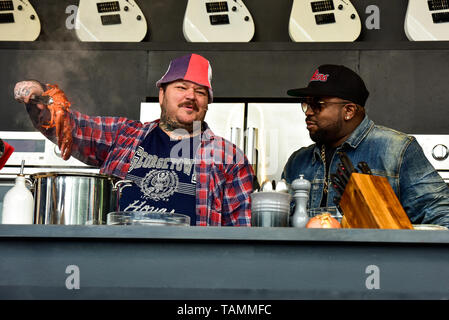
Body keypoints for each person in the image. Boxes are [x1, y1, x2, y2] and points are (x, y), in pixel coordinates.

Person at [14, 53, 254, 226]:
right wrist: (40, 93)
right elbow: (70, 127)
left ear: (207, 103)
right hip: (114, 262)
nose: (190, 96)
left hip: (189, 270)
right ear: (162, 95)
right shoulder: (123, 135)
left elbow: (241, 235)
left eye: (200, 91)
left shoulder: (229, 157)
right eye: (181, 87)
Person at [282, 64, 449, 227]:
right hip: (307, 256)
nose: (309, 112)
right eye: (307, 104)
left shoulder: (395, 150)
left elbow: (442, 217)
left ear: (349, 111)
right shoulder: (298, 161)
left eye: (318, 105)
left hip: (377, 256)